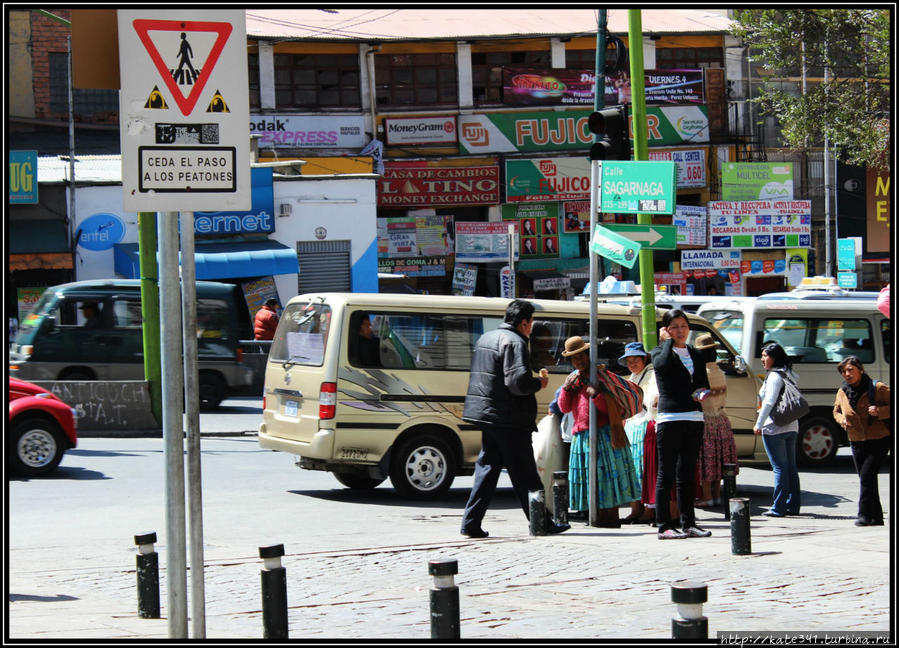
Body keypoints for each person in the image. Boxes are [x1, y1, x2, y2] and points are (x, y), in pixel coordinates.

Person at [460, 299, 570, 538]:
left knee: (488, 469)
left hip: (487, 414)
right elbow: (517, 383)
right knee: (526, 472)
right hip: (508, 417)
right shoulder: (515, 341)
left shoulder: (486, 338)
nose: (531, 328)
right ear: (523, 323)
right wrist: (538, 383)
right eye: (531, 323)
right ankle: (542, 522)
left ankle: (471, 522)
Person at [557, 336, 640, 528]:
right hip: (582, 435)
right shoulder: (573, 381)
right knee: (589, 478)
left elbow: (611, 408)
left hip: (603, 435)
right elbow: (564, 407)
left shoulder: (601, 377)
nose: (579, 361)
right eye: (574, 358)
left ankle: (609, 517)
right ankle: (594, 515)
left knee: (606, 478)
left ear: (588, 355)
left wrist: (596, 395)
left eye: (581, 356)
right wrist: (567, 389)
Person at [651, 309, 712, 539]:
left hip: (694, 417)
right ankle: (664, 525)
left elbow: (703, 383)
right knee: (665, 474)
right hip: (670, 418)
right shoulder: (659, 351)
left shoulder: (695, 353)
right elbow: (663, 365)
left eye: (683, 326)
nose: (680, 331)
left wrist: (702, 393)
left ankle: (689, 523)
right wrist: (666, 342)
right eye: (674, 326)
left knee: (687, 473)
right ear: (666, 330)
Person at [833, 356, 891, 527]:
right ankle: (877, 517)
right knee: (868, 479)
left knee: (866, 477)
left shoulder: (878, 388)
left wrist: (880, 411)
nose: (847, 374)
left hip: (879, 439)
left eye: (850, 370)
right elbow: (836, 411)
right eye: (843, 371)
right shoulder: (843, 391)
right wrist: (842, 419)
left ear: (861, 369)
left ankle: (864, 514)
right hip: (856, 440)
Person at [753, 342, 801, 518]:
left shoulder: (774, 376)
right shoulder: (789, 374)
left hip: (774, 427)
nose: (763, 359)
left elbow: (769, 402)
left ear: (775, 357)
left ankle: (778, 508)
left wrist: (759, 423)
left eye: (766, 355)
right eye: (763, 355)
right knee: (790, 468)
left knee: (779, 468)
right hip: (792, 425)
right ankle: (793, 505)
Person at [694, 333, 738, 507]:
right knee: (719, 459)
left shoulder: (702, 372)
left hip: (707, 420)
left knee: (707, 460)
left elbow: (699, 396)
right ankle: (716, 494)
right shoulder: (719, 370)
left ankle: (707, 496)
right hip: (721, 419)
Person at [618, 342, 659, 525]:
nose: (632, 364)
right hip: (632, 426)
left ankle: (649, 509)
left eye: (635, 360)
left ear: (644, 359)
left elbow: (650, 400)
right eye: (629, 361)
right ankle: (635, 509)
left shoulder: (651, 375)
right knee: (632, 469)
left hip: (644, 426)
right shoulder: (634, 376)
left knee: (644, 469)